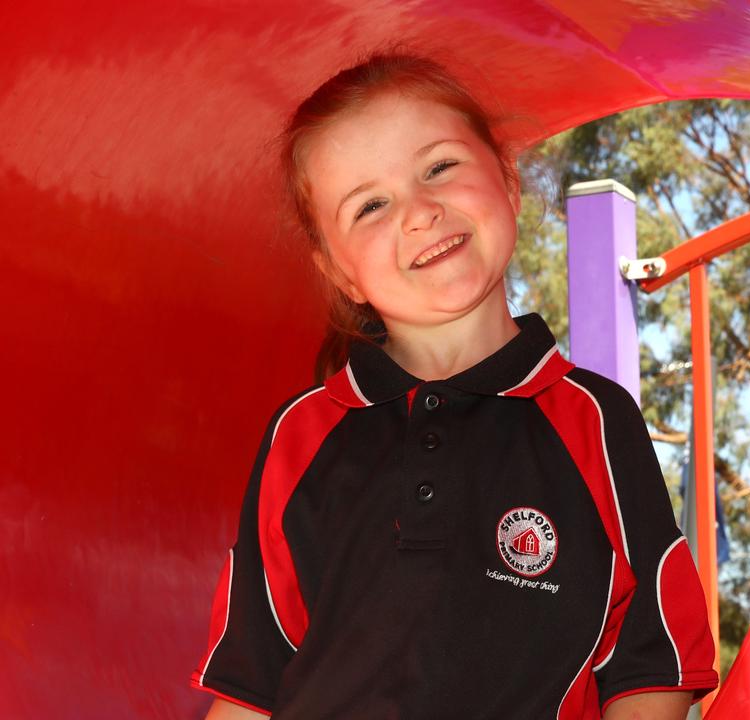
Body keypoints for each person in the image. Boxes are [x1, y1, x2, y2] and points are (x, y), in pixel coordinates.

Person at [189, 51, 719, 719]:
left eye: (439, 167)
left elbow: (651, 666)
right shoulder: (301, 435)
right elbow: (250, 683)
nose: (418, 212)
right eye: (370, 206)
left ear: (508, 180)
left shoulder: (594, 420)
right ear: (340, 274)